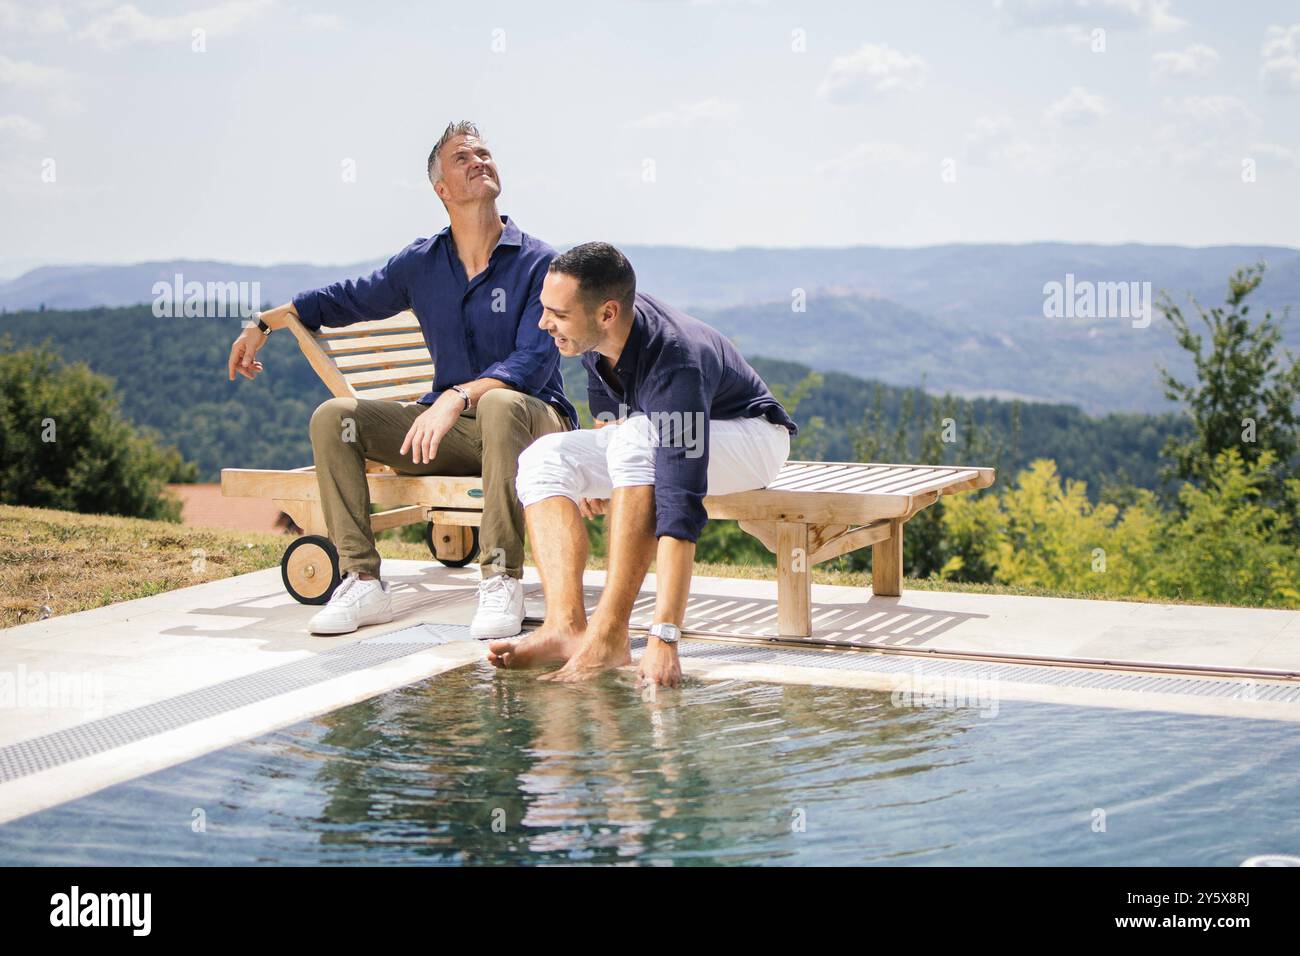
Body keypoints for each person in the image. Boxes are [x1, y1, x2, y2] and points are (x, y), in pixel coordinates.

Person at [227, 121, 573, 637]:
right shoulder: (422, 264)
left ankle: (501, 579)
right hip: (458, 433)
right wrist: (262, 323)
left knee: (499, 406)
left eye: (484, 152)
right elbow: (347, 297)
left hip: (533, 424)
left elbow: (532, 364)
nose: (479, 160)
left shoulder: (540, 262)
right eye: (463, 157)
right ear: (442, 190)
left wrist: (457, 395)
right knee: (334, 418)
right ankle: (363, 580)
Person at [488, 242, 796, 687]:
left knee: (636, 437)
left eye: (558, 313)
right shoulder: (596, 339)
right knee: (543, 457)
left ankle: (611, 635)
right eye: (544, 308)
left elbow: (679, 505)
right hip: (659, 430)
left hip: (752, 442)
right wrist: (595, 474)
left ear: (607, 313)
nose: (543, 323)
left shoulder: (676, 364)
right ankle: (564, 629)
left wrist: (665, 638)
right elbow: (609, 418)